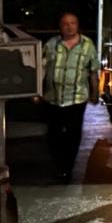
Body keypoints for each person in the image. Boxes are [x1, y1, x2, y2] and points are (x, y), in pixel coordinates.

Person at [42, 11, 99, 182]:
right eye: (65, 23)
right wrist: (36, 91)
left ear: (77, 25)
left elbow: (93, 71)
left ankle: (67, 168)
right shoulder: (51, 44)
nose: (69, 26)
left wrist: (95, 92)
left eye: (72, 23)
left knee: (73, 135)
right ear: (60, 26)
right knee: (54, 135)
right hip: (53, 98)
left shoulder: (88, 45)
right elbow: (41, 68)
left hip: (76, 98)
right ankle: (58, 165)